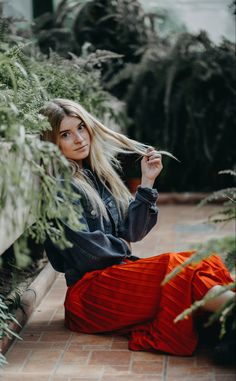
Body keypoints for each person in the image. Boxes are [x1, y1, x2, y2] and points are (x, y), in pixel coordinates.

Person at [41, 98, 235, 362]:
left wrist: (147, 181)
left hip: (116, 276)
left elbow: (132, 232)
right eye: (65, 134)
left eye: (81, 128)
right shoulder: (60, 188)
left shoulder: (97, 175)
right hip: (89, 296)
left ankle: (229, 327)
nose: (78, 138)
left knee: (197, 265)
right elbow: (92, 254)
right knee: (176, 268)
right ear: (52, 143)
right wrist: (123, 247)